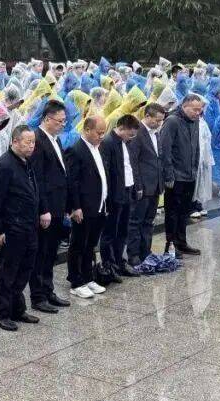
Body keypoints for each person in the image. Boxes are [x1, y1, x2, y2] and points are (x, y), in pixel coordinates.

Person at [0, 125, 42, 331]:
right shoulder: (4, 165)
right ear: (15, 141)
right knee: (8, 273)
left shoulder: (27, 162)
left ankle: (17, 309)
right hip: (12, 228)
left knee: (25, 270)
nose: (31, 146)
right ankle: (2, 314)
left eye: (33, 142)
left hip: (29, 226)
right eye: (28, 142)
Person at [27, 99, 70, 313]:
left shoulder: (55, 140)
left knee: (51, 251)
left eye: (64, 121)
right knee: (42, 252)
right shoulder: (38, 140)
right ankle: (38, 295)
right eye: (59, 121)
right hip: (46, 209)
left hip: (58, 205)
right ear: (47, 119)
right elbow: (38, 179)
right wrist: (43, 209)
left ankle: (48, 289)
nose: (63, 125)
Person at [65, 115, 109, 299]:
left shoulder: (98, 148)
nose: (101, 136)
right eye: (99, 133)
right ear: (87, 130)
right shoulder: (76, 150)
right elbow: (72, 182)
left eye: (104, 133)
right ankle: (76, 281)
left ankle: (88, 276)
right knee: (78, 244)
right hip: (84, 207)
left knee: (90, 244)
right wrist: (75, 207)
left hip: (99, 205)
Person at [159, 93, 204, 255]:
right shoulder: (172, 121)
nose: (198, 113)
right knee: (173, 212)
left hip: (189, 174)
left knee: (184, 211)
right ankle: (171, 245)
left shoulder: (195, 121)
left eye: (200, 110)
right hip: (176, 176)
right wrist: (169, 175)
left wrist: (195, 168)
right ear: (184, 106)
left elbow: (196, 147)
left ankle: (181, 242)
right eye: (194, 109)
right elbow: (164, 150)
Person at [99, 114, 140, 277]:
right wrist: (108, 197)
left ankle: (119, 261)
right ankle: (109, 264)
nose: (132, 138)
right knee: (110, 232)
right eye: (130, 134)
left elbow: (130, 166)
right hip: (115, 194)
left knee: (123, 230)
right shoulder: (108, 143)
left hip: (127, 190)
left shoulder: (126, 143)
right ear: (121, 128)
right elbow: (107, 173)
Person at [126, 102, 165, 267]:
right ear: (147, 116)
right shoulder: (138, 133)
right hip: (142, 187)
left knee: (149, 221)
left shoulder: (156, 133)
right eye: (157, 120)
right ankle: (134, 254)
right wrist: (138, 186)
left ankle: (146, 251)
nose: (160, 123)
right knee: (136, 221)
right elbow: (133, 162)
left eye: (161, 120)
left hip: (155, 185)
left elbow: (157, 158)